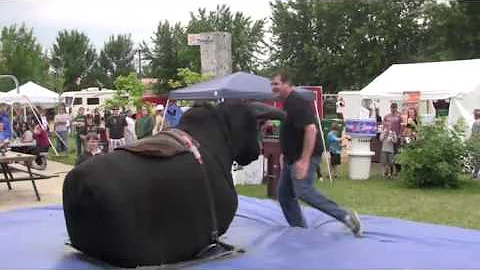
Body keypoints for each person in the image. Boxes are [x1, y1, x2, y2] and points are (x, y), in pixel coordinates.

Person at [271, 71, 361, 236]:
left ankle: (346, 216)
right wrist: (286, 153)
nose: (273, 88)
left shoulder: (297, 103)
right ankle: (300, 230)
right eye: (272, 84)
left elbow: (311, 130)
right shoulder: (288, 104)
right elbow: (292, 131)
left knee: (304, 190)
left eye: (276, 84)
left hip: (304, 156)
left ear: (287, 84)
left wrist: (304, 161)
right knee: (284, 195)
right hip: (292, 157)